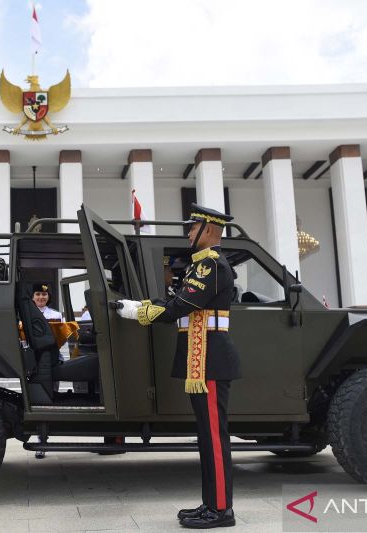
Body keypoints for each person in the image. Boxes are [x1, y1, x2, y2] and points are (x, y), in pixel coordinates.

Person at [116, 204, 240, 529]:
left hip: (211, 360)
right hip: (202, 361)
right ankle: (211, 503)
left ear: (209, 231)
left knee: (213, 437)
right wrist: (142, 305)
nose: (188, 232)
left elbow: (178, 308)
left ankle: (222, 510)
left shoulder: (211, 266)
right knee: (206, 436)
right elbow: (177, 303)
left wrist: (137, 313)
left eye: (192, 227)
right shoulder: (201, 267)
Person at [32, 282, 61, 458]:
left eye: (44, 295)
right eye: (38, 294)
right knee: (38, 403)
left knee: (52, 400)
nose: (41, 297)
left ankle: (47, 438)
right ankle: (41, 441)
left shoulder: (56, 315)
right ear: (33, 297)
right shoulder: (25, 314)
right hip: (34, 364)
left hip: (52, 363)